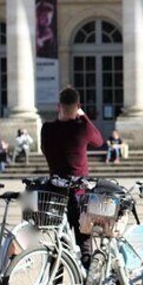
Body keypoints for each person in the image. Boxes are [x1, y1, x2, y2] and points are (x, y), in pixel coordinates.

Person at [41, 86, 104, 269]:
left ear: (58, 106)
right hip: (78, 192)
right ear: (78, 106)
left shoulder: (47, 129)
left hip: (55, 193)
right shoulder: (81, 128)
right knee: (84, 242)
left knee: (59, 242)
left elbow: (45, 150)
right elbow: (99, 141)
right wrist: (83, 116)